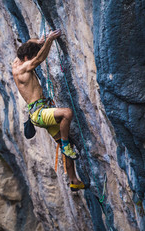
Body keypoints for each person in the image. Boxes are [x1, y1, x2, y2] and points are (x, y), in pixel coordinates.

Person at [12, 29, 88, 191]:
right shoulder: (22, 69)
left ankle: (73, 180)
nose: (31, 60)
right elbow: (39, 59)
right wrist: (49, 41)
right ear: (26, 59)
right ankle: (66, 144)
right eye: (29, 59)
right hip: (39, 114)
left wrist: (37, 42)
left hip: (40, 112)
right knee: (67, 113)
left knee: (63, 145)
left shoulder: (16, 62)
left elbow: (27, 47)